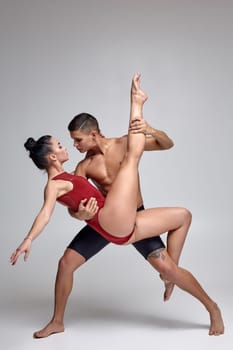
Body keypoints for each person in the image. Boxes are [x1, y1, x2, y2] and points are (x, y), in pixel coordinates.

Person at [10, 74, 224, 336]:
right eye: (71, 141)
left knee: (170, 263)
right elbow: (71, 198)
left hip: (132, 216)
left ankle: (207, 304)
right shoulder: (84, 166)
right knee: (66, 262)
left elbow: (167, 144)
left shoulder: (123, 143)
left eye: (78, 140)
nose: (76, 146)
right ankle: (57, 321)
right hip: (106, 220)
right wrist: (77, 214)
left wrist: (150, 129)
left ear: (94, 134)